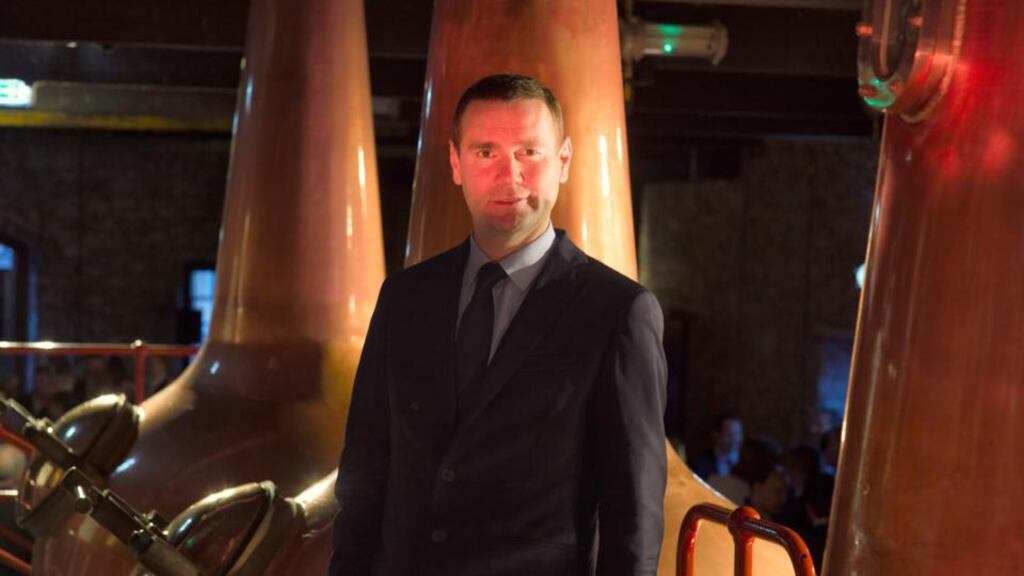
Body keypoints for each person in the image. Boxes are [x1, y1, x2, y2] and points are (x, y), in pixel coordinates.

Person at [330, 74, 668, 575]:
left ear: (564, 161)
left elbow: (633, 511)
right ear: (456, 163)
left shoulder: (617, 311)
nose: (509, 175)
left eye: (528, 151)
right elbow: (365, 468)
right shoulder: (405, 297)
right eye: (486, 152)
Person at [689, 413, 743, 481]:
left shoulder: (749, 463)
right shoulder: (701, 463)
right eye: (729, 435)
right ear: (716, 435)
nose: (735, 439)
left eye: (738, 434)